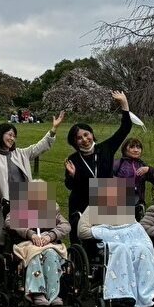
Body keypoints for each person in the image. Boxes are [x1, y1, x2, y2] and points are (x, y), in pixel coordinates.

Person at [77, 178, 154, 307]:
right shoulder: (94, 208)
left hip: (130, 243)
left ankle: (151, 292)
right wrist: (105, 232)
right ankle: (121, 293)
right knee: (121, 249)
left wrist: (124, 233)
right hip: (105, 246)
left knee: (142, 249)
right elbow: (82, 231)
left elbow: (134, 228)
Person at [63, 91, 133, 220]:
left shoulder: (106, 148)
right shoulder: (73, 159)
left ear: (91, 134)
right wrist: (73, 176)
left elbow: (125, 128)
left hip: (106, 199)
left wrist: (124, 104)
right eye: (79, 138)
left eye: (86, 134)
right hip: (82, 204)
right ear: (74, 142)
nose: (84, 139)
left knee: (106, 235)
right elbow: (69, 186)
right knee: (83, 237)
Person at [6, 180, 72, 307]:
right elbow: (9, 221)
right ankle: (37, 292)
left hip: (48, 244)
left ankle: (53, 293)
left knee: (51, 254)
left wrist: (50, 235)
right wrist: (30, 234)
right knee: (34, 254)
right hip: (27, 244)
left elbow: (65, 225)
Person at [0, 111, 65, 212]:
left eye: (14, 136)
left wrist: (54, 129)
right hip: (5, 203)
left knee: (51, 211)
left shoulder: (21, 153)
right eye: (10, 135)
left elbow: (40, 146)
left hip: (25, 200)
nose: (12, 138)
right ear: (0, 135)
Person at [113, 137, 154, 212]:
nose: (136, 150)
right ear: (125, 149)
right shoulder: (118, 163)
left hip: (138, 204)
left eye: (138, 147)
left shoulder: (142, 165)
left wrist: (149, 170)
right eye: (132, 147)